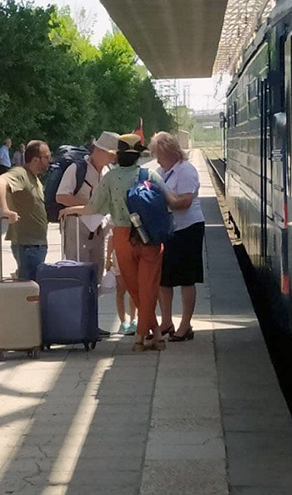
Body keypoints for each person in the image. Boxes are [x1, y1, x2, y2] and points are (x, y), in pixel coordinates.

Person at [60, 133, 175, 352]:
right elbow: (169, 200)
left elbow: (94, 209)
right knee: (149, 286)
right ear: (138, 155)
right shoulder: (149, 174)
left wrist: (71, 209)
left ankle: (150, 335)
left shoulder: (110, 179)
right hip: (149, 237)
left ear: (118, 155)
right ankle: (147, 335)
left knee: (135, 288)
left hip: (122, 237)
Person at [150, 132, 205, 342]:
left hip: (188, 228)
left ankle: (185, 324)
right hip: (169, 230)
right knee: (165, 279)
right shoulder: (161, 171)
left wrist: (163, 200)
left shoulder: (185, 170)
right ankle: (166, 321)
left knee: (186, 278)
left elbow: (184, 202)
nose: (157, 159)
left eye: (158, 154)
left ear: (169, 152)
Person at [55, 132, 119, 277]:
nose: (112, 158)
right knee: (77, 271)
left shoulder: (107, 171)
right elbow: (61, 196)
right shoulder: (77, 169)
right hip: (76, 226)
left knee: (97, 272)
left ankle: (93, 298)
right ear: (98, 150)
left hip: (98, 228)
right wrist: (91, 204)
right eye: (110, 154)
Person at [0, 140, 52, 281]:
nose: (50, 160)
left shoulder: (34, 177)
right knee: (29, 292)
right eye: (47, 156)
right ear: (36, 159)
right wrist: (5, 210)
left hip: (35, 244)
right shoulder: (20, 173)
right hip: (28, 246)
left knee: (32, 291)